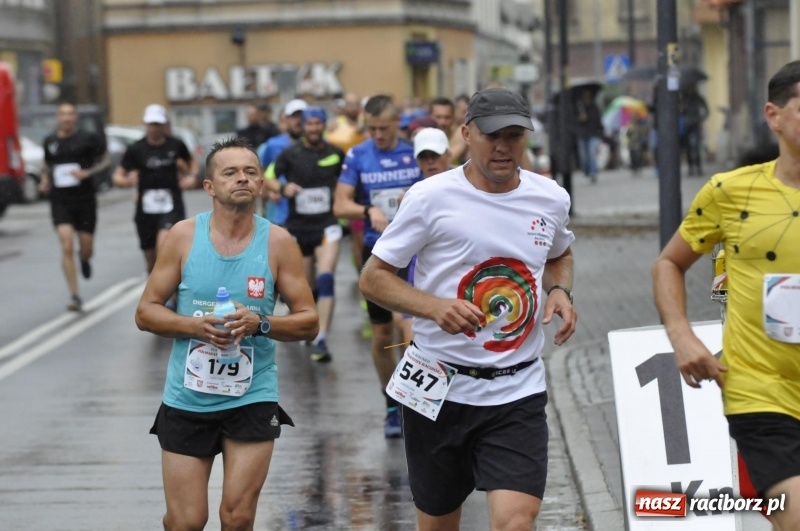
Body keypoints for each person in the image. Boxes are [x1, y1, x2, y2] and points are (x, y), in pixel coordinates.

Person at [359, 87, 577, 529]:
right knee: (439, 523)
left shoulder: (550, 197)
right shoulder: (429, 197)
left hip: (516, 390)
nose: (503, 146)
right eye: (492, 135)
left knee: (516, 521)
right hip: (437, 387)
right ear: (465, 134)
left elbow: (559, 255)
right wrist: (434, 307)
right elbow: (373, 277)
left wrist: (560, 292)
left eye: (514, 135)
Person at [135, 137, 319, 531]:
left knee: (237, 517)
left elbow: (309, 321)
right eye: (230, 172)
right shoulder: (183, 237)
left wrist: (260, 324)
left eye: (251, 172)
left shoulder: (278, 241)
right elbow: (146, 312)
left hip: (252, 395)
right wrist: (194, 326)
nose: (242, 179)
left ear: (261, 184)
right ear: (209, 186)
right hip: (188, 396)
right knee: (186, 521)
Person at [652, 60, 800, 531]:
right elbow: (668, 263)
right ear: (773, 115)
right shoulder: (729, 192)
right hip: (762, 390)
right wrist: (682, 336)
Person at [333, 94, 422, 438]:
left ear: (397, 121)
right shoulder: (358, 154)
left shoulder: (415, 153)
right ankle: (391, 404)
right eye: (371, 129)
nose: (378, 135)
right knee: (383, 334)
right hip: (379, 258)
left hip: (415, 255)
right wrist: (366, 211)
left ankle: (414, 400)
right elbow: (340, 204)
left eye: (384, 128)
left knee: (407, 326)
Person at [269, 107, 345, 362]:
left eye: (317, 123)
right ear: (303, 126)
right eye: (309, 124)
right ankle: (309, 325)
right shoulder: (289, 154)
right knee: (306, 286)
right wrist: (282, 186)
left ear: (324, 125)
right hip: (299, 229)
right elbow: (266, 177)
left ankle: (322, 338)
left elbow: (348, 182)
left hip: (327, 226)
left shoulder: (335, 154)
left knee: (326, 278)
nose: (313, 128)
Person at [38, 102, 110, 311]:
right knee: (66, 245)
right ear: (58, 117)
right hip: (60, 200)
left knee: (86, 247)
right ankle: (75, 295)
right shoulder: (50, 141)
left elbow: (105, 160)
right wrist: (44, 179)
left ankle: (85, 259)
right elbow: (46, 164)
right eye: (63, 114)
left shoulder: (88, 139)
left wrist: (88, 172)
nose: (66, 118)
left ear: (75, 117)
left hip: (85, 199)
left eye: (70, 114)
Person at [112, 104, 198, 273]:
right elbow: (118, 176)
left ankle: (170, 296)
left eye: (158, 124)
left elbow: (192, 162)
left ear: (164, 124)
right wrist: (126, 181)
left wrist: (191, 177)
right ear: (145, 123)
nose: (154, 128)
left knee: (164, 247)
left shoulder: (175, 145)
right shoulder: (136, 149)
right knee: (151, 259)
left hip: (171, 203)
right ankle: (155, 290)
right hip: (145, 207)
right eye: (151, 124)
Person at [259, 98, 308, 226]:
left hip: (311, 212)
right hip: (281, 211)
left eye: (302, 116)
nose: (299, 120)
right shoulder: (273, 145)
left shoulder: (321, 145)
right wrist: (270, 191)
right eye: (294, 116)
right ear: (287, 119)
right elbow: (263, 173)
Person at [574, 87, 604, 183]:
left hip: (593, 134)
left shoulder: (594, 107)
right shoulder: (578, 107)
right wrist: (580, 119)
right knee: (584, 156)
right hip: (582, 134)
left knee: (591, 153)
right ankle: (587, 170)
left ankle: (593, 173)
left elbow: (598, 121)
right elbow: (573, 122)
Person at [679, 83, 709, 176]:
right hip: (687, 124)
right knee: (688, 147)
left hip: (696, 123)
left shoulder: (698, 97)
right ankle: (691, 168)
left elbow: (706, 109)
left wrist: (702, 118)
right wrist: (682, 107)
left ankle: (698, 167)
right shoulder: (684, 98)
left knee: (696, 146)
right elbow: (680, 111)